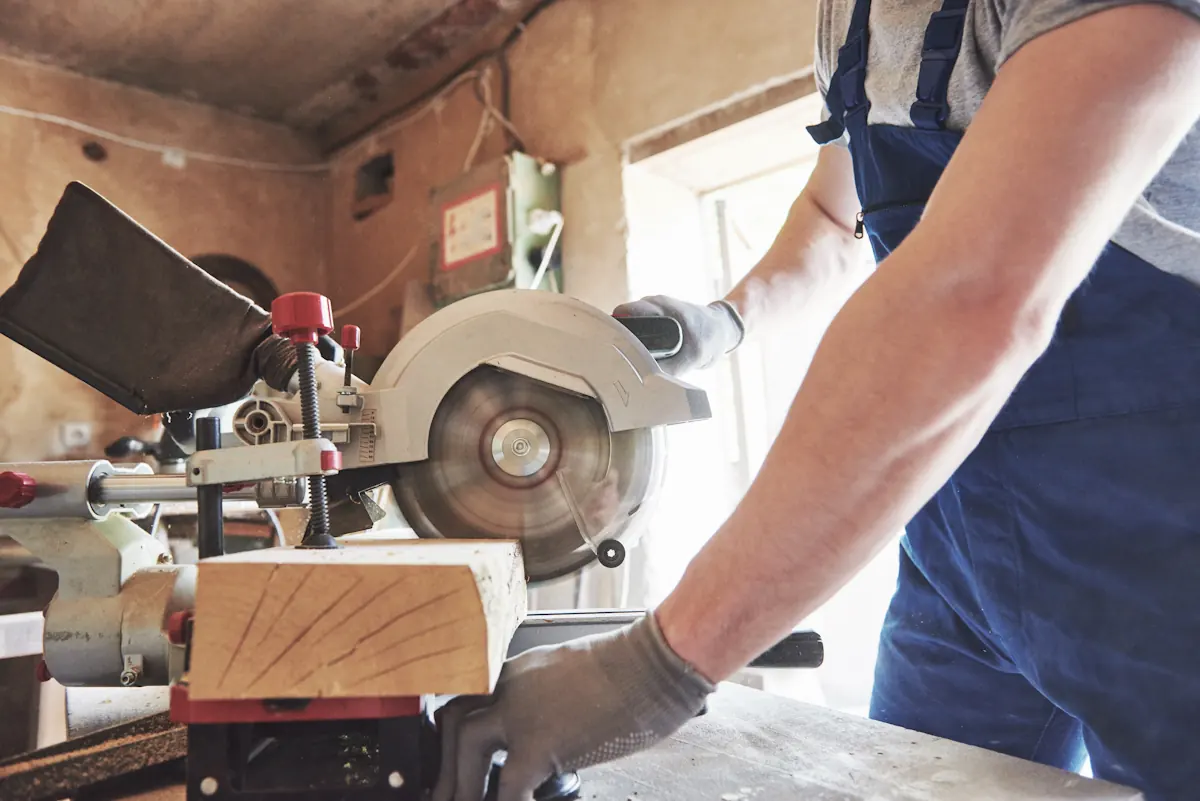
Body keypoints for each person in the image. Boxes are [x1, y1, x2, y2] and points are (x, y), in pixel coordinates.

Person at [433, 1, 1200, 799]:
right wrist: (725, 320)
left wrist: (651, 667)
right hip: (956, 542)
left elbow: (974, 297)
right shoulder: (850, 20)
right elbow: (836, 219)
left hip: (1159, 538)